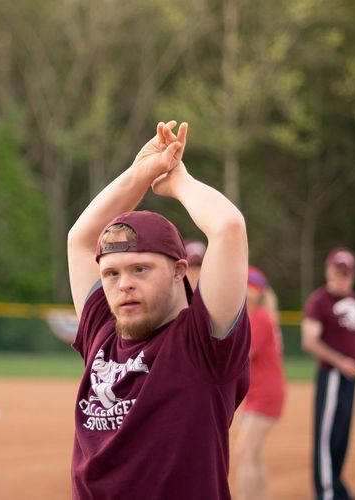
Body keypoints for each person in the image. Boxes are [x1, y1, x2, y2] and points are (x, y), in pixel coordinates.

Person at [67, 120, 250, 499]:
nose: (123, 284)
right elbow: (80, 240)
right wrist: (141, 173)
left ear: (179, 270)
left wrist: (176, 179)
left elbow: (228, 227)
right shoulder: (104, 326)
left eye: (140, 269)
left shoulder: (202, 345)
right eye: (111, 274)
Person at [301, 247, 355, 500]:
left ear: (353, 276)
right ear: (328, 271)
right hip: (333, 377)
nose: (340, 279)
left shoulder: (354, 300)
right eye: (336, 273)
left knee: (341, 436)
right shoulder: (319, 301)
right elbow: (309, 341)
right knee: (327, 437)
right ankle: (325, 492)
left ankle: (337, 487)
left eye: (345, 275)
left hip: (350, 379)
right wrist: (340, 361)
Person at [235, 266, 286, 500]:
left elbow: (245, 354)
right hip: (259, 392)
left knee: (244, 452)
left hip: (266, 393)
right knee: (251, 454)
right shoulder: (258, 315)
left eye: (249, 287)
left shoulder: (260, 317)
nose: (245, 291)